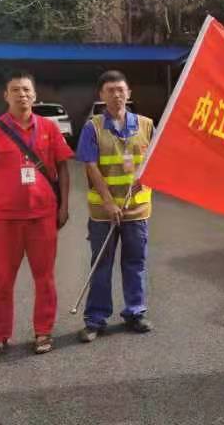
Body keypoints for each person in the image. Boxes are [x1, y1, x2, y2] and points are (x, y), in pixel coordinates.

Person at [0, 71, 73, 358]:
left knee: (45, 278)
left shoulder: (49, 128)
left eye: (26, 90)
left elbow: (63, 168)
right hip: (4, 219)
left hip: (42, 217)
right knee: (3, 280)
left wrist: (64, 207)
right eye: (15, 90)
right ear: (6, 96)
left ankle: (43, 332)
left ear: (35, 95)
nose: (22, 94)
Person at [76, 70, 154, 342]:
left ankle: (135, 312)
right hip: (103, 213)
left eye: (121, 89)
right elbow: (90, 166)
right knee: (101, 265)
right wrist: (108, 202)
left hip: (137, 211)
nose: (116, 95)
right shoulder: (93, 128)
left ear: (129, 93)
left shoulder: (146, 125)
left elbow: (157, 160)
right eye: (110, 90)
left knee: (135, 263)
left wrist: (146, 178)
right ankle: (95, 319)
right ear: (101, 95)